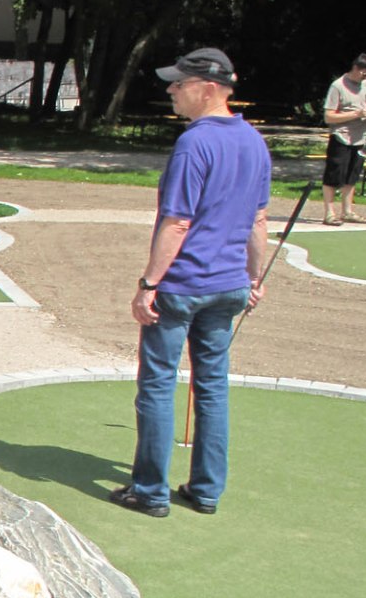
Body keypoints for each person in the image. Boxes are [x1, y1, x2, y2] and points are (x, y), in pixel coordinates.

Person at [111, 47, 271, 519]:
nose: (171, 90)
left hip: (181, 286)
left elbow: (177, 222)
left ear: (207, 88)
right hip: (228, 285)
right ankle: (205, 490)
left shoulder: (195, 143)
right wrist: (253, 276)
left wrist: (148, 283)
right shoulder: (254, 142)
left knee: (159, 384)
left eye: (178, 84)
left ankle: (150, 490)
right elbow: (259, 222)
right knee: (213, 386)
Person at [319, 54, 366, 226]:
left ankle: (347, 211)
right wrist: (355, 114)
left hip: (361, 137)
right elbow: (329, 117)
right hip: (341, 136)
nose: (365, 75)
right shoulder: (338, 86)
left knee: (352, 175)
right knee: (333, 175)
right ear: (355, 67)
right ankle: (329, 213)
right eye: (363, 71)